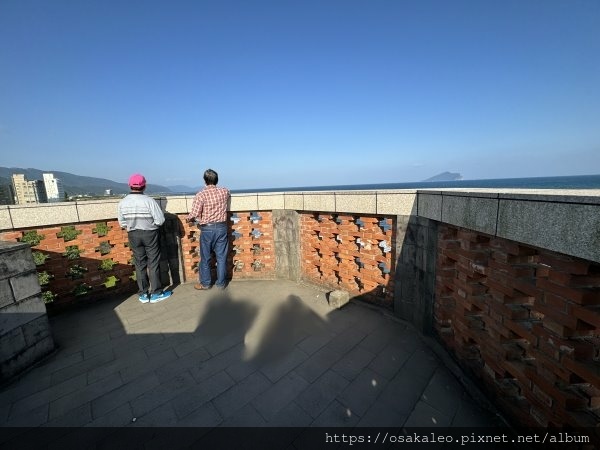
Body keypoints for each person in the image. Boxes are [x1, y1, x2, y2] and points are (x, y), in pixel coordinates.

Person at [118, 173, 172, 303]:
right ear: (144, 186)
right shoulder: (149, 201)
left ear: (129, 185)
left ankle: (143, 294)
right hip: (150, 234)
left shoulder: (123, 202)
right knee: (153, 263)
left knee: (140, 263)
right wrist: (151, 226)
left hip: (133, 234)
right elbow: (160, 220)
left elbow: (122, 222)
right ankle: (156, 293)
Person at [187, 168, 231, 290]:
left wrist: (188, 218)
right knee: (221, 257)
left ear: (205, 181)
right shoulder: (224, 191)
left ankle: (206, 283)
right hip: (222, 227)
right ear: (217, 180)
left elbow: (195, 213)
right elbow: (229, 193)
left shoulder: (200, 195)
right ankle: (221, 283)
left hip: (207, 229)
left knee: (206, 257)